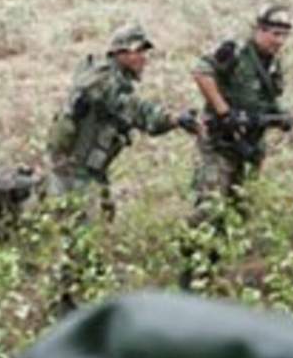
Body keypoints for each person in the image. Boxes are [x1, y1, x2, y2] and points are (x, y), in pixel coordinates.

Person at [180, 4, 293, 287]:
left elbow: (264, 104)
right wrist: (224, 113)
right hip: (219, 146)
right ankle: (189, 277)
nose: (279, 41)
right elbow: (201, 72)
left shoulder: (272, 65)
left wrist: (279, 118)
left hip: (249, 149)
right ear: (259, 30)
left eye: (284, 35)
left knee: (238, 214)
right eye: (274, 34)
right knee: (208, 209)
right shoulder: (234, 52)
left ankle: (216, 273)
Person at [46, 23, 192, 218]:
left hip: (86, 170)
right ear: (120, 54)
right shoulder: (106, 82)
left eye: (143, 52)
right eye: (137, 51)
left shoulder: (103, 75)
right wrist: (175, 120)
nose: (143, 58)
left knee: (103, 219)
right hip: (76, 172)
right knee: (82, 230)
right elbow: (141, 113)